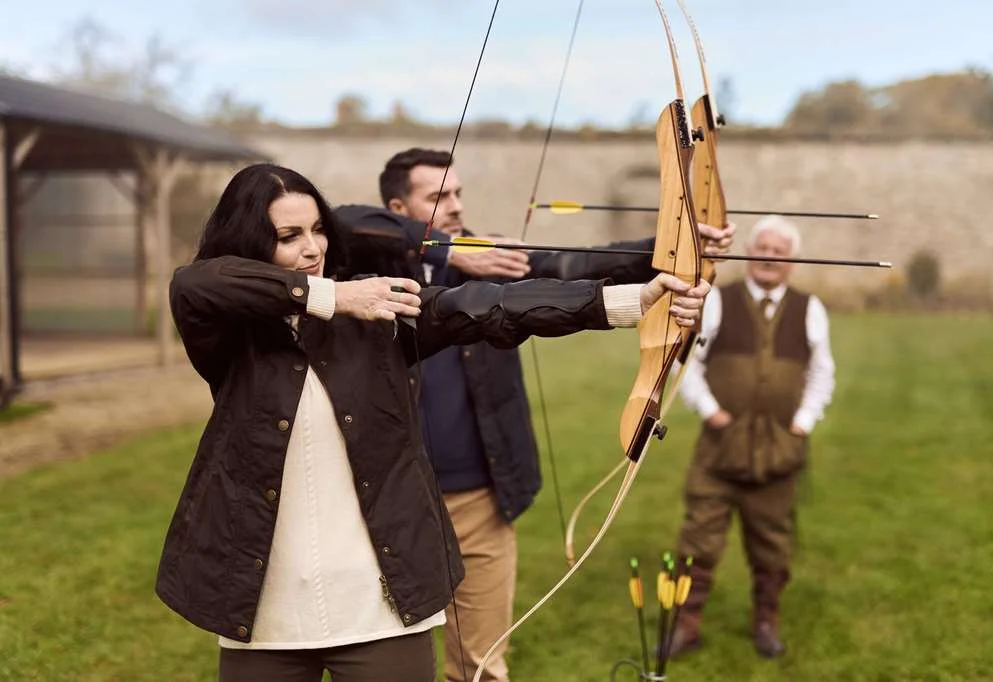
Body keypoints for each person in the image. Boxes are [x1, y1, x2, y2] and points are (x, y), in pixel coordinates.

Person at [154, 162, 711, 682]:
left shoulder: (379, 316)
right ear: (251, 243)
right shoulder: (230, 334)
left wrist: (633, 300)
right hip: (265, 607)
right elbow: (196, 282)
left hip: (380, 604)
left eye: (317, 231)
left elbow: (490, 306)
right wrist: (334, 295)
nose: (312, 248)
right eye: (288, 237)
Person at [372, 147, 734, 682]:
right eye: (437, 197)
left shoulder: (490, 255)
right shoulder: (360, 271)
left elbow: (573, 265)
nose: (454, 206)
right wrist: (446, 253)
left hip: (479, 493)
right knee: (388, 661)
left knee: (480, 664)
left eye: (457, 194)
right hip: (389, 496)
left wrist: (671, 246)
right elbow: (347, 220)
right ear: (398, 208)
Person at [664, 215, 836, 660]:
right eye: (762, 247)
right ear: (748, 251)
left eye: (780, 252)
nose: (769, 257)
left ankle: (766, 622)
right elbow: (688, 364)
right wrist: (711, 411)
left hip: (780, 452)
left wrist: (803, 421)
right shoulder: (718, 301)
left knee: (773, 544)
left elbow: (821, 373)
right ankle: (686, 624)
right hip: (719, 448)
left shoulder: (809, 308)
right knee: (697, 540)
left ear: (792, 262)